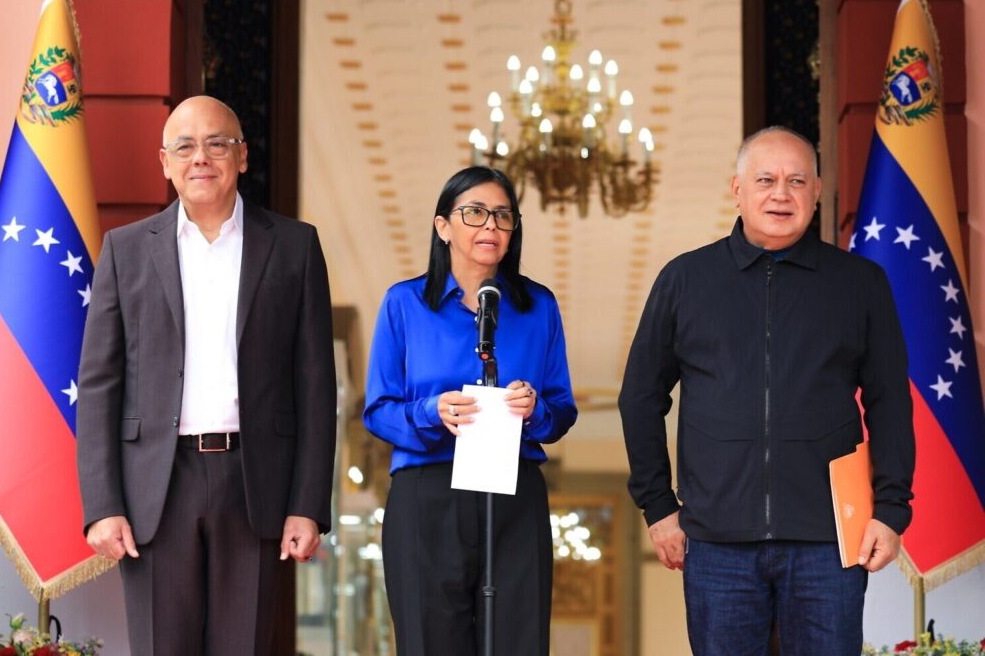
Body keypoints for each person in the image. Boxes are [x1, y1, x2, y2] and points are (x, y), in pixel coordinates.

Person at [619, 126, 915, 655]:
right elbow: (640, 396)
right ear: (737, 188)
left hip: (830, 542)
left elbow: (889, 399)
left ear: (817, 191)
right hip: (715, 544)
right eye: (766, 180)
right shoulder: (685, 280)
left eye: (797, 180)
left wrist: (891, 510)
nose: (782, 193)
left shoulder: (860, 283)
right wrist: (659, 507)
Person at [76, 95, 337, 655]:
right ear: (163, 162)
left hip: (256, 485)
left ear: (242, 156)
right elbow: (99, 384)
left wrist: (309, 502)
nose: (201, 157)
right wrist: (102, 504)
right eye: (185, 146)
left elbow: (316, 387)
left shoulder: (294, 247)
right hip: (155, 489)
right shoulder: (124, 251)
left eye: (217, 143)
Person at [364, 166, 577, 656]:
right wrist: (429, 411)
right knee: (430, 640)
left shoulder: (538, 305)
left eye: (503, 216)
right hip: (427, 492)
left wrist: (535, 409)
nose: (490, 227)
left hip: (514, 494)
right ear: (443, 227)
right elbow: (377, 410)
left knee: (518, 641)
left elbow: (562, 410)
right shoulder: (405, 303)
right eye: (475, 213)